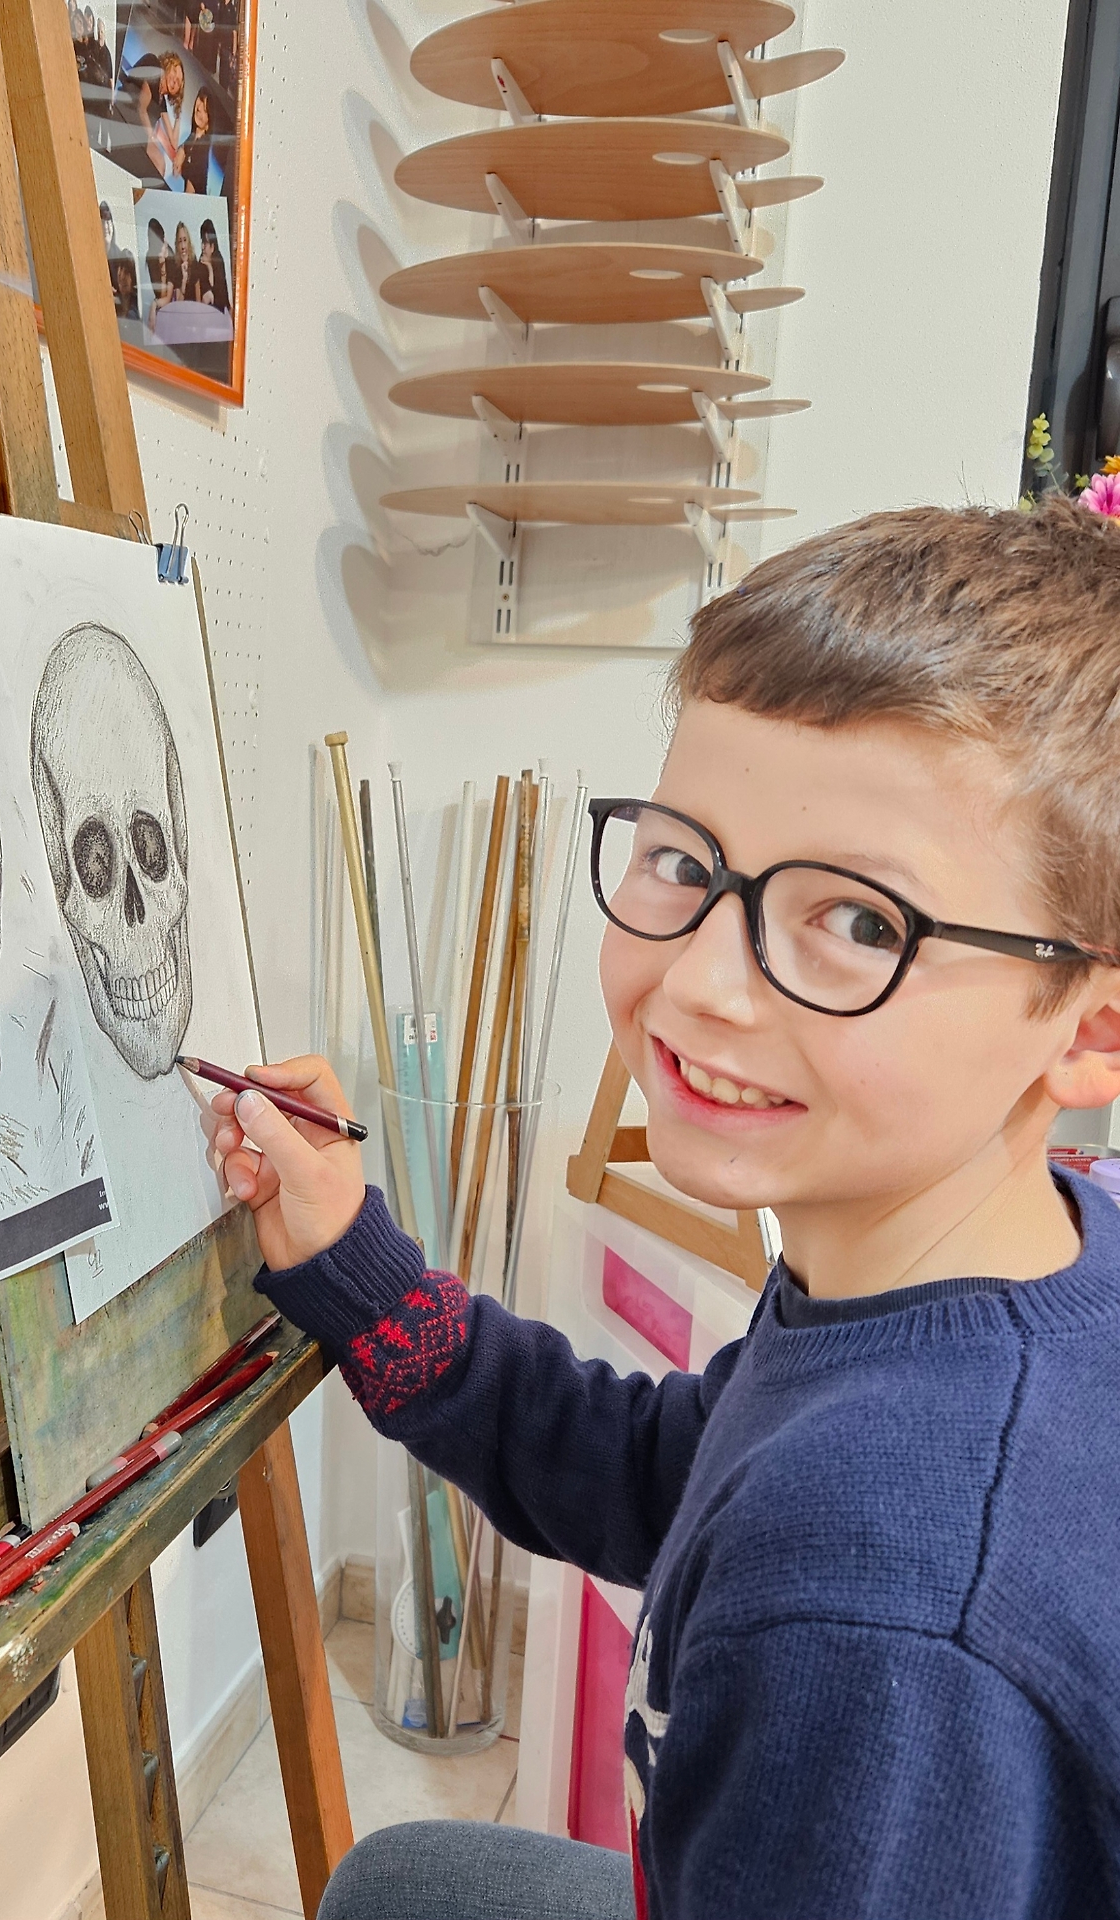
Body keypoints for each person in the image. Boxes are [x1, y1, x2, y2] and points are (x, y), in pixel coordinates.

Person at [205, 498, 1120, 1920]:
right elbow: (656, 1473)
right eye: (684, 864)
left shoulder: (879, 1608)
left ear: (1089, 1029)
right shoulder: (979, 1267)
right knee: (404, 1878)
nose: (699, 981)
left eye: (859, 921)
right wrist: (354, 1263)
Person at [147, 52, 187, 187]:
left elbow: (174, 143)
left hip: (145, 138)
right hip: (137, 129)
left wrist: (178, 117)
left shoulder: (162, 103)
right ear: (167, 65)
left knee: (160, 166)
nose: (175, 80)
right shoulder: (153, 73)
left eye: (179, 82)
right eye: (174, 71)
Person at [180, 87, 213, 195]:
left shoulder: (201, 150)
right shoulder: (192, 138)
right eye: (200, 100)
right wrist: (181, 150)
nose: (199, 109)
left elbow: (190, 193)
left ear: (209, 124)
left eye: (205, 110)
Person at [193, 216, 229, 311]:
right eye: (202, 242)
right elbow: (206, 294)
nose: (202, 247)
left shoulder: (218, 261)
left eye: (205, 243)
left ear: (212, 247)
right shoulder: (201, 262)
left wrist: (209, 267)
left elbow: (218, 294)